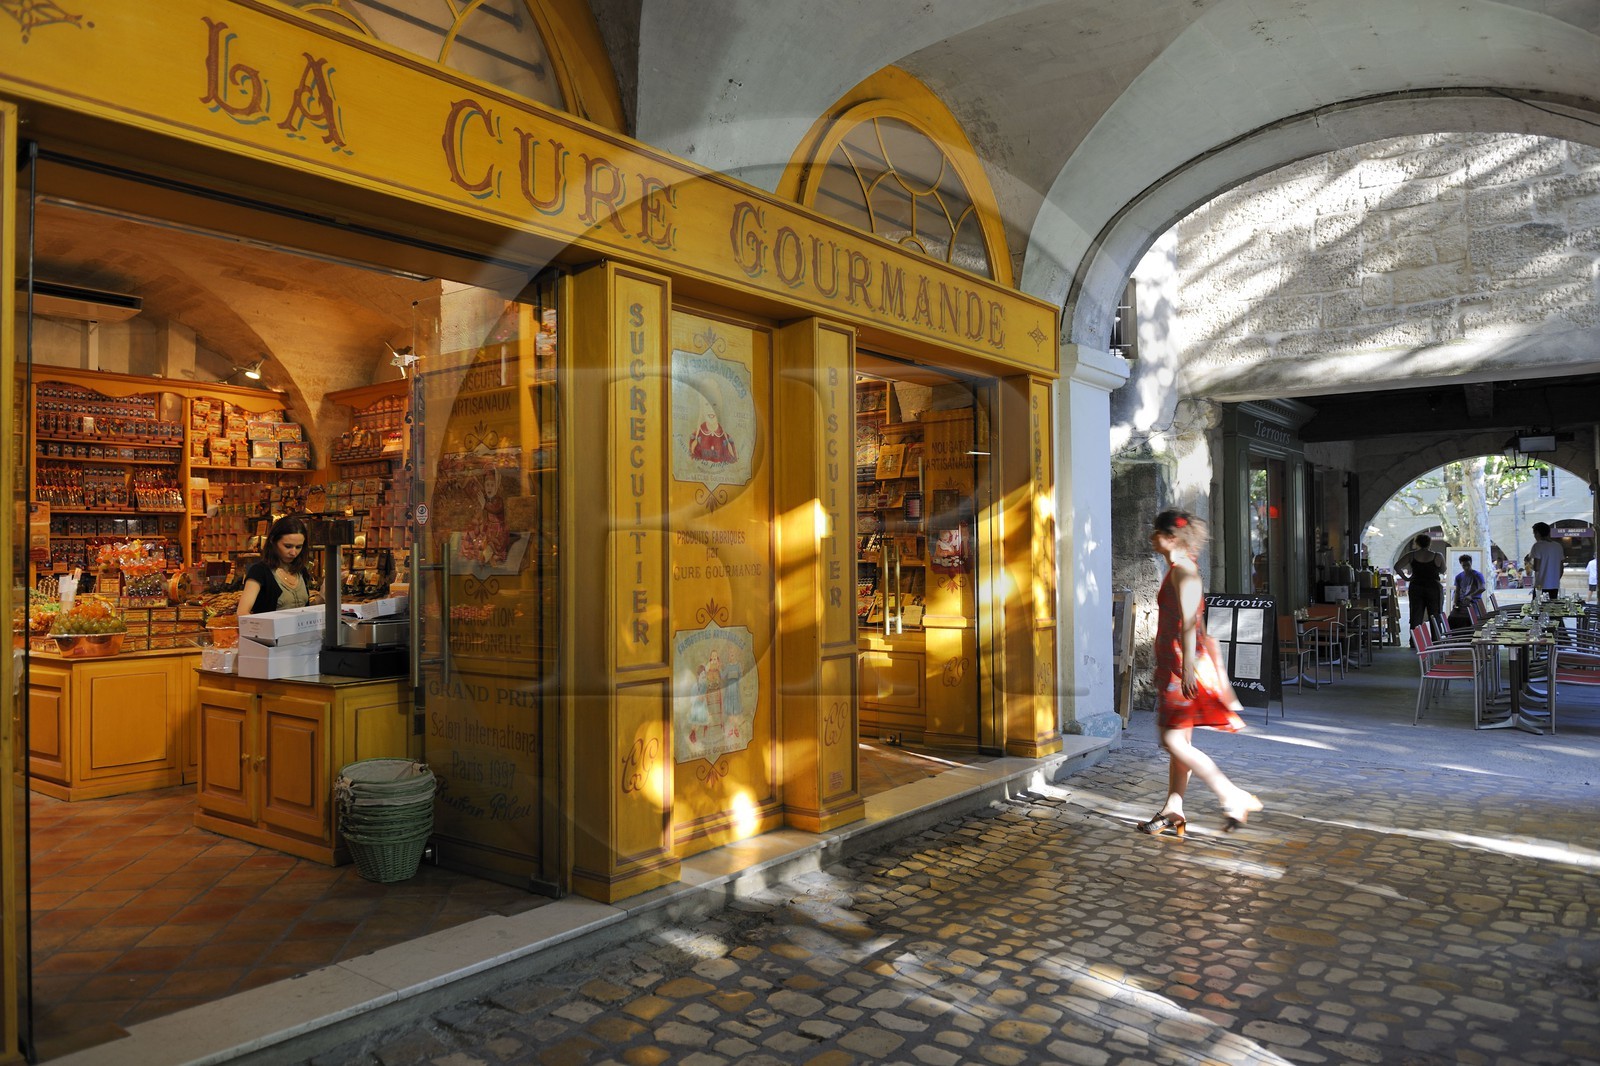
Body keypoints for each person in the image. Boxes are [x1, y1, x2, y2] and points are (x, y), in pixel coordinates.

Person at [1136, 509, 1261, 838]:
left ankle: (1232, 794)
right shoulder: (1177, 568)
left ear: (1171, 538)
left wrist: (1187, 668)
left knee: (1172, 739)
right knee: (1180, 741)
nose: (1151, 537)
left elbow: (1191, 622)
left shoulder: (1185, 570)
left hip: (1181, 666)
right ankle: (1173, 808)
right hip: (1174, 664)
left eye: (1156, 532)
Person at [238, 516, 315, 615]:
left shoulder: (301, 570)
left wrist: (322, 597)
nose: (293, 552)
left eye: (298, 547)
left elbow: (304, 608)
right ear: (273, 541)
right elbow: (242, 613)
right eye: (288, 546)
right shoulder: (259, 571)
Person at [1395, 533, 1445, 635]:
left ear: (1417, 543)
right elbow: (1443, 570)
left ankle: (1415, 641)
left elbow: (1397, 566)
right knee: (1435, 614)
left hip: (1416, 586)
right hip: (1433, 587)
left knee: (1416, 615)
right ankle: (1436, 640)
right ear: (1429, 543)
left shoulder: (1411, 555)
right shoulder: (1437, 556)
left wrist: (1406, 578)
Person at [1527, 522, 1564, 599]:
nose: (1534, 536)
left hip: (1541, 585)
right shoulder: (1558, 546)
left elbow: (1536, 568)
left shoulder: (1537, 546)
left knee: (1538, 609)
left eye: (1534, 534)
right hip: (1555, 585)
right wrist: (1554, 579)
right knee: (1552, 608)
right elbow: (1561, 568)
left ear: (1537, 533)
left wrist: (1528, 563)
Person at [1452, 554, 1486, 618]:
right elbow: (1457, 591)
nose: (1466, 567)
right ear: (1461, 565)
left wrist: (1471, 595)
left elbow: (1482, 588)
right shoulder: (1458, 577)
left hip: (1474, 602)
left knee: (1473, 619)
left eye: (1468, 565)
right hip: (1461, 603)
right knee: (1452, 619)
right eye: (1464, 566)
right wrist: (1455, 602)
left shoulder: (1477, 575)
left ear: (1471, 563)